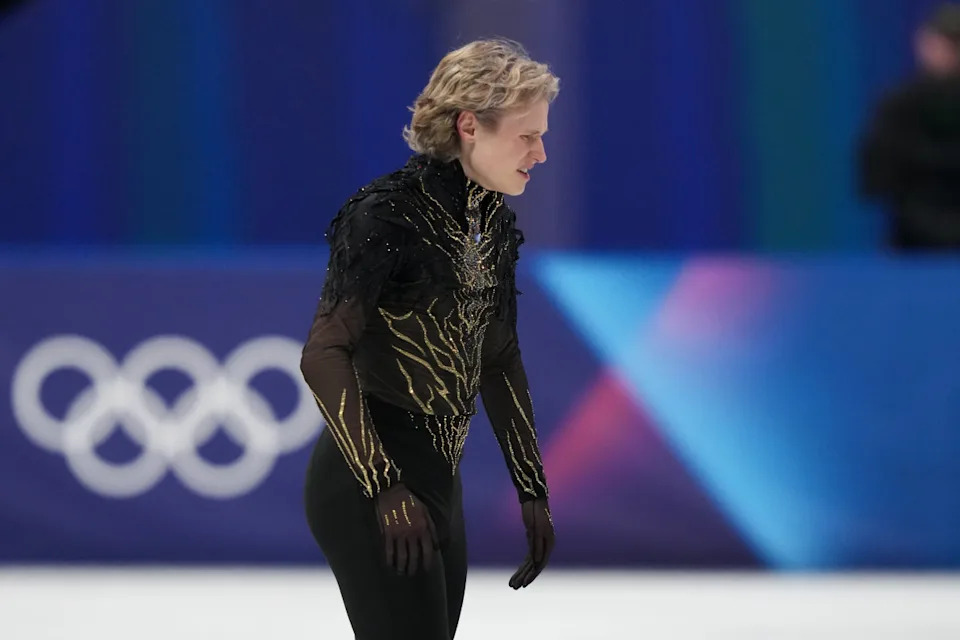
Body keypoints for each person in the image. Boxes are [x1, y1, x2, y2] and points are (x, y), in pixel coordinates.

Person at [299, 39, 558, 640]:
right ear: (470, 125)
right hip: (368, 479)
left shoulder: (489, 221)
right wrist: (383, 484)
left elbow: (497, 358)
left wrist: (532, 489)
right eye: (527, 136)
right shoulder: (385, 216)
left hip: (439, 480)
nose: (541, 152)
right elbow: (323, 354)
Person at [859, 3, 960, 250]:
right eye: (943, 43)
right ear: (923, 44)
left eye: (955, 45)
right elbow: (876, 178)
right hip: (912, 246)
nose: (948, 53)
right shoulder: (897, 107)